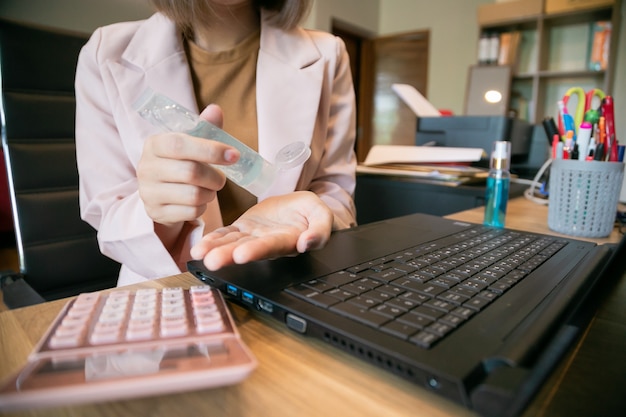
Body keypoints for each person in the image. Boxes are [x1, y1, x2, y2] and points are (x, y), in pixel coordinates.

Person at [75, 0, 357, 286]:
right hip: (167, 289)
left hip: (289, 286)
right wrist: (158, 213)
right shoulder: (105, 53)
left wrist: (315, 215)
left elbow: (336, 192)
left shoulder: (328, 53)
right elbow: (108, 215)